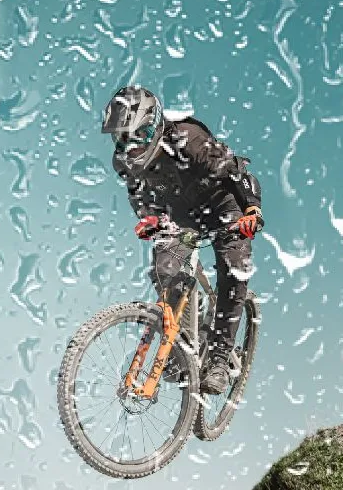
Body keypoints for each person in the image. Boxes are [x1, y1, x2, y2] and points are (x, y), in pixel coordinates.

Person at [101, 85, 263, 394]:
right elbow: (138, 195)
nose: (130, 146)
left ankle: (217, 358)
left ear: (154, 124)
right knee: (166, 268)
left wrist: (252, 209)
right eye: (121, 138)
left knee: (233, 265)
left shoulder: (190, 140)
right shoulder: (124, 163)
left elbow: (237, 173)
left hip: (223, 205)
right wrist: (149, 219)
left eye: (138, 135)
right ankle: (181, 343)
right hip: (182, 214)